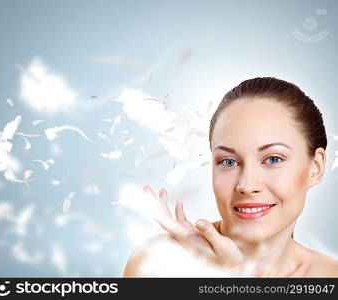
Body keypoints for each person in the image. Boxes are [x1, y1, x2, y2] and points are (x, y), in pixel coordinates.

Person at [123, 77, 338, 277]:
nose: (246, 185)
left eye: (273, 159)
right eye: (229, 162)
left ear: (315, 168)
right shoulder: (157, 264)